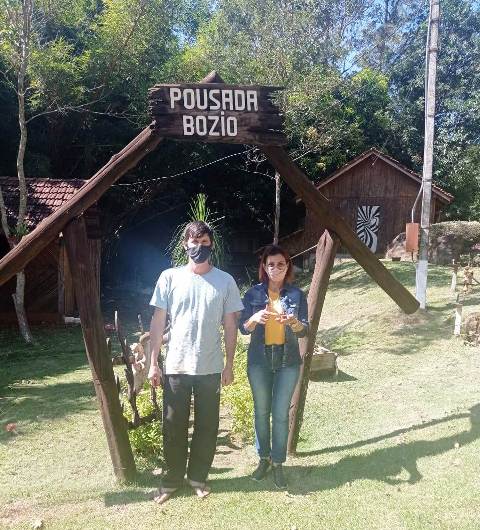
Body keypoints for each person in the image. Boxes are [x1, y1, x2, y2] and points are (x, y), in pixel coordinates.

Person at [148, 221, 243, 504]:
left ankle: (198, 477)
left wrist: (229, 364)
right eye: (193, 241)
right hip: (176, 364)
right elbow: (157, 321)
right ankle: (172, 479)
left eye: (203, 242)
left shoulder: (225, 281)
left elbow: (230, 325)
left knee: (207, 424)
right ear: (184, 245)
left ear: (211, 245)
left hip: (210, 366)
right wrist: (154, 362)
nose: (198, 247)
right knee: (173, 424)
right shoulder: (169, 277)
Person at [239, 244, 308, 489]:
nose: (276, 268)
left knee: (279, 414)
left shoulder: (298, 295)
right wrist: (253, 319)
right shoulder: (252, 295)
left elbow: (304, 331)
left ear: (287, 266)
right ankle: (263, 459)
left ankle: (278, 463)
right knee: (261, 411)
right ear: (264, 268)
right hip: (259, 360)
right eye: (271, 264)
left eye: (281, 264)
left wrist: (294, 322)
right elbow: (242, 328)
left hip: (288, 360)